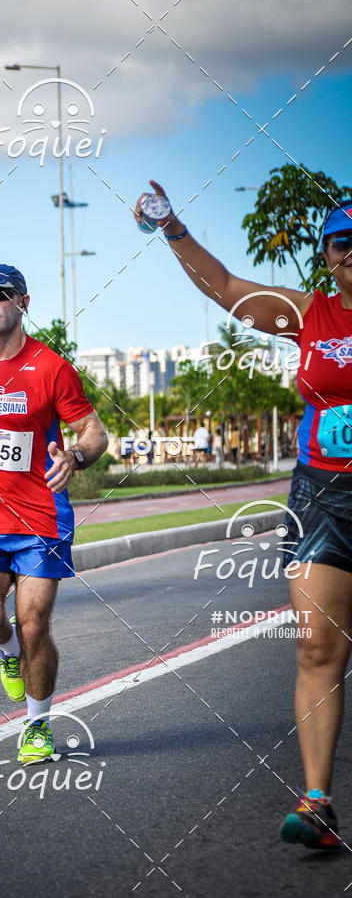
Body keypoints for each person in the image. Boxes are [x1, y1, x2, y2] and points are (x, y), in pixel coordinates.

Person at [135, 182, 352, 850]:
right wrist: (172, 227)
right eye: (344, 244)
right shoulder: (310, 314)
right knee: (318, 645)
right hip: (324, 496)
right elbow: (227, 286)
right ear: (327, 255)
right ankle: (317, 803)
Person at [0, 263, 107, 764]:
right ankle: (7, 652)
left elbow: (94, 433)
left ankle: (36, 725)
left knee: (34, 624)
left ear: (23, 302)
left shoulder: (51, 367)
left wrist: (73, 457)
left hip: (40, 520)